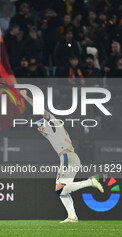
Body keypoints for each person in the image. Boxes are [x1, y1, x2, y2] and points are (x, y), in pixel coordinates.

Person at [19, 90, 104, 223]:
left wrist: (25, 97)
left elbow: (40, 110)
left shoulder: (54, 122)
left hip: (67, 157)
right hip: (68, 158)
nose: (39, 126)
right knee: (60, 191)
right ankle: (72, 216)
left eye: (39, 123)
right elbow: (37, 119)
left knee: (61, 188)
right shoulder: (46, 130)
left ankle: (90, 182)